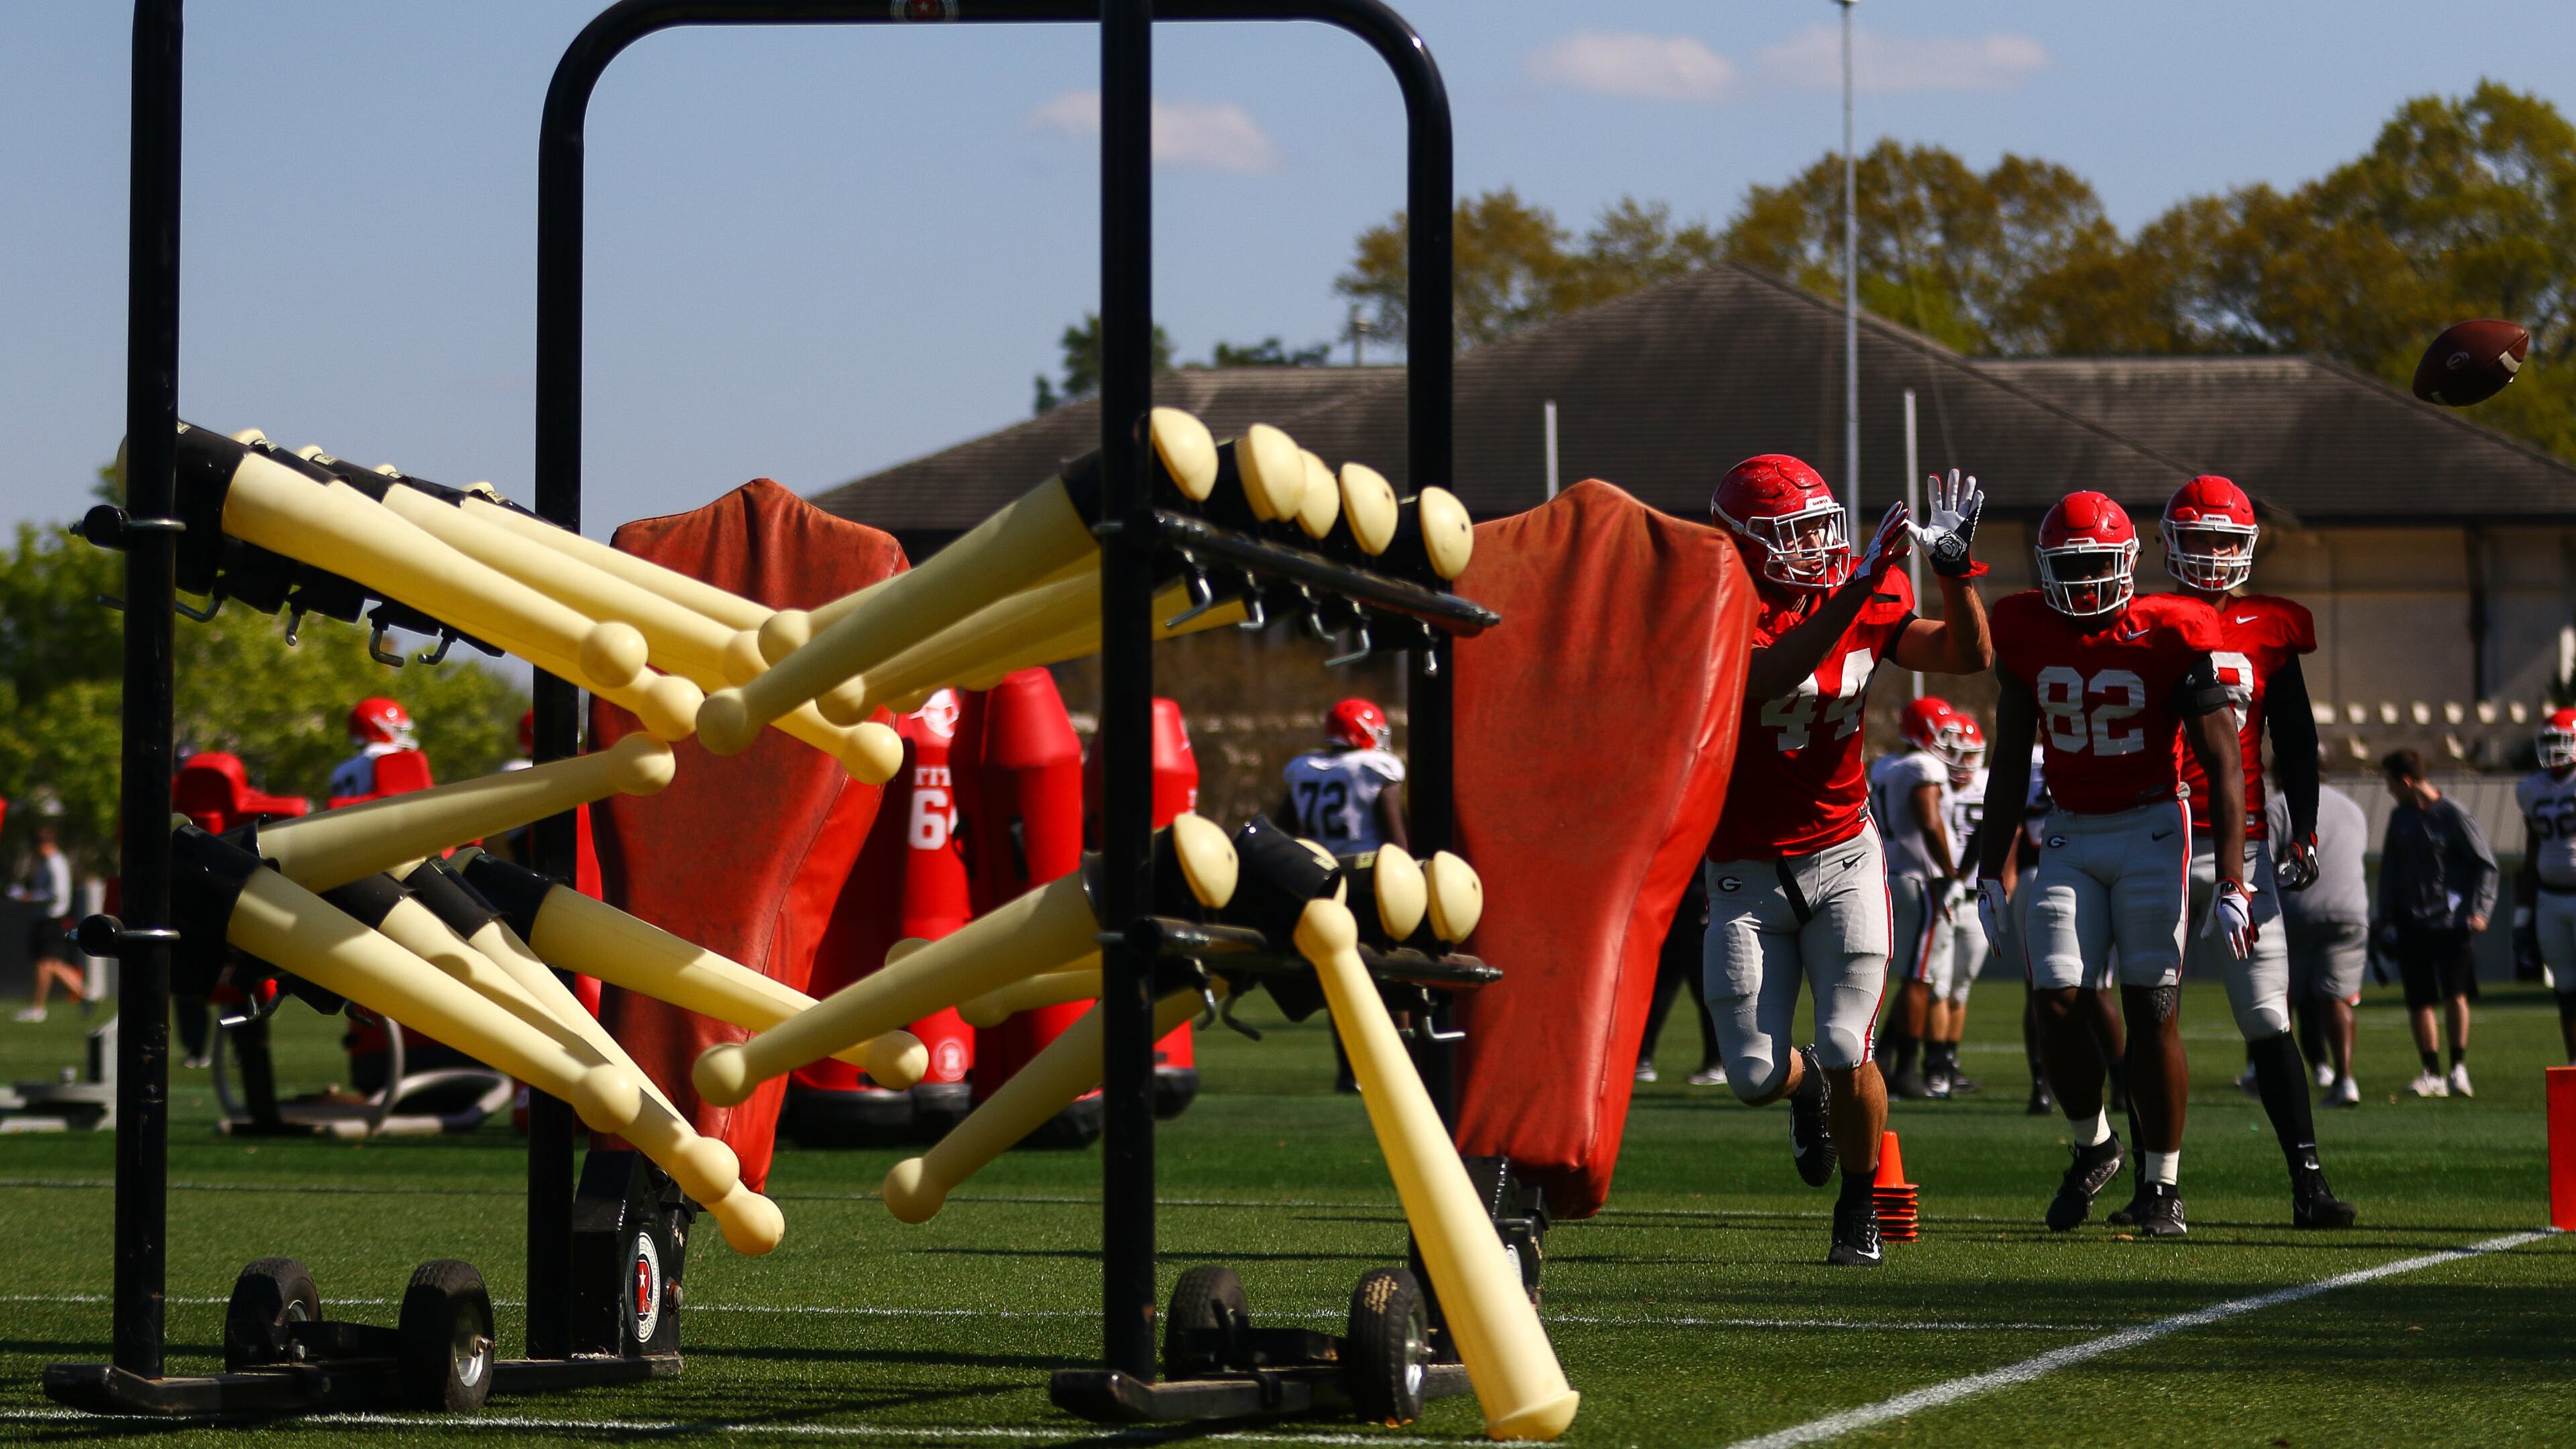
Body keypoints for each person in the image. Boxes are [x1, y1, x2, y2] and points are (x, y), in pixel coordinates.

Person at [1702, 459, 1991, 1267]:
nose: (1816, 544)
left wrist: (1954, 573)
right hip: (1745, 869)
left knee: (1843, 1042)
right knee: (1755, 1073)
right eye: (1792, 533)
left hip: (1842, 854)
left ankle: (1858, 1206)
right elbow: (1766, 677)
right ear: (1743, 544)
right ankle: (1806, 1101)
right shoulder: (1718, 606)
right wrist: (1858, 588)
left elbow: (1969, 655)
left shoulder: (1861, 591)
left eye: (1820, 525)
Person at [1976, 490, 2246, 1240]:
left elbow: (2223, 761)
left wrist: (2231, 877)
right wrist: (1988, 867)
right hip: (2067, 828)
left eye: (2098, 563)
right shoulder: (2025, 628)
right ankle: (2096, 1142)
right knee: (2055, 997)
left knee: (2151, 1003)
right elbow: (2006, 763)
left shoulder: (2170, 629)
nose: (2087, 581)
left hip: (2153, 825)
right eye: (2071, 566)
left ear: (2127, 562)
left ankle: (2164, 1184)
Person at [2147, 476, 2353, 1228]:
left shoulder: (2272, 625)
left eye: (2225, 541)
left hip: (2247, 845)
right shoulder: (2139, 618)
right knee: (2150, 1014)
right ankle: (2155, 1185)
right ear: (2170, 543)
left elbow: (2294, 735)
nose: (2211, 556)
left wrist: (2304, 824)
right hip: (2155, 837)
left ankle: (2308, 1184)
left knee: (2268, 1017)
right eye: (2197, 540)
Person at [1281, 697, 1407, 1093]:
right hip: (1371, 878)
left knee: (1343, 976)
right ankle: (1400, 1067)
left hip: (1322, 881)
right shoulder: (1373, 770)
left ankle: (1349, 1073)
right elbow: (1394, 834)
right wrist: (1408, 874)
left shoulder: (1306, 770)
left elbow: (1284, 828)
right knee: (1395, 971)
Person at [2377, 749, 2496, 1097]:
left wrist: (2481, 911)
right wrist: (2384, 915)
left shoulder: (2454, 815)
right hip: (2412, 923)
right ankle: (2431, 1073)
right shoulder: (2399, 817)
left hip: (2451, 923)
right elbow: (2389, 871)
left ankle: (2459, 1070)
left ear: (2406, 780)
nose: (2388, 790)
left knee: (2456, 994)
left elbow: (2486, 864)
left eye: (2390, 783)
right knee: (2419, 1000)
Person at [1870, 696, 1966, 1098]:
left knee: (1913, 974)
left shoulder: (1886, 764)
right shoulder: (1924, 767)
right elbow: (1929, 821)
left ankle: (1886, 1059)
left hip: (1894, 875)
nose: (1948, 743)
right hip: (1924, 881)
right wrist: (1951, 871)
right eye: (1942, 733)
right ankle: (1905, 1070)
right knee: (1919, 978)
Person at [2271, 779, 2371, 1104]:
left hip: (2299, 911)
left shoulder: (2279, 806)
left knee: (2281, 997)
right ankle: (2344, 1079)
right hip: (2350, 910)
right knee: (2337, 999)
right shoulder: (2353, 808)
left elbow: (2260, 860)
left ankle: (2273, 1075)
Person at [1926, 712, 1989, 1097]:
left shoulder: (1987, 783)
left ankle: (1949, 1062)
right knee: (1938, 986)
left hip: (1976, 894)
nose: (1963, 764)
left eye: (1969, 756)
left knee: (1961, 986)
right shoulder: (1931, 784)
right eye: (1954, 754)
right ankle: (1934, 1067)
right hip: (1941, 891)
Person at [2515, 708, 2576, 1064]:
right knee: (2565, 989)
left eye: (2561, 740)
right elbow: (2531, 850)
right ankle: (2573, 1067)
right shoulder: (2531, 789)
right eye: (2549, 741)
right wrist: (2523, 918)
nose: (2554, 749)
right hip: (2550, 898)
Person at [1279, 697, 1407, 854]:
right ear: (1362, 732)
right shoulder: (1374, 768)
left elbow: (1282, 832)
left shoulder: (1305, 768)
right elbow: (1395, 840)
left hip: (1317, 868)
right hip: (1362, 867)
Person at [1635, 869, 1724, 1087]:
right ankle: (1642, 1058)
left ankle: (1716, 1061)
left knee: (1692, 986)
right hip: (1686, 898)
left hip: (1686, 898)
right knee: (1669, 985)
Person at [11, 826, 83, 1024]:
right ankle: (84, 993)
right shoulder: (48, 863)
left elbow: (56, 895)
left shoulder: (55, 863)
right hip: (46, 919)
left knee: (45, 963)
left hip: (51, 919)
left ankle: (38, 1007)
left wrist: (28, 897)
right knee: (51, 964)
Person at [329, 696, 431, 800]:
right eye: (398, 728)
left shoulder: (341, 769)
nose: (402, 733)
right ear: (378, 728)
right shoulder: (393, 759)